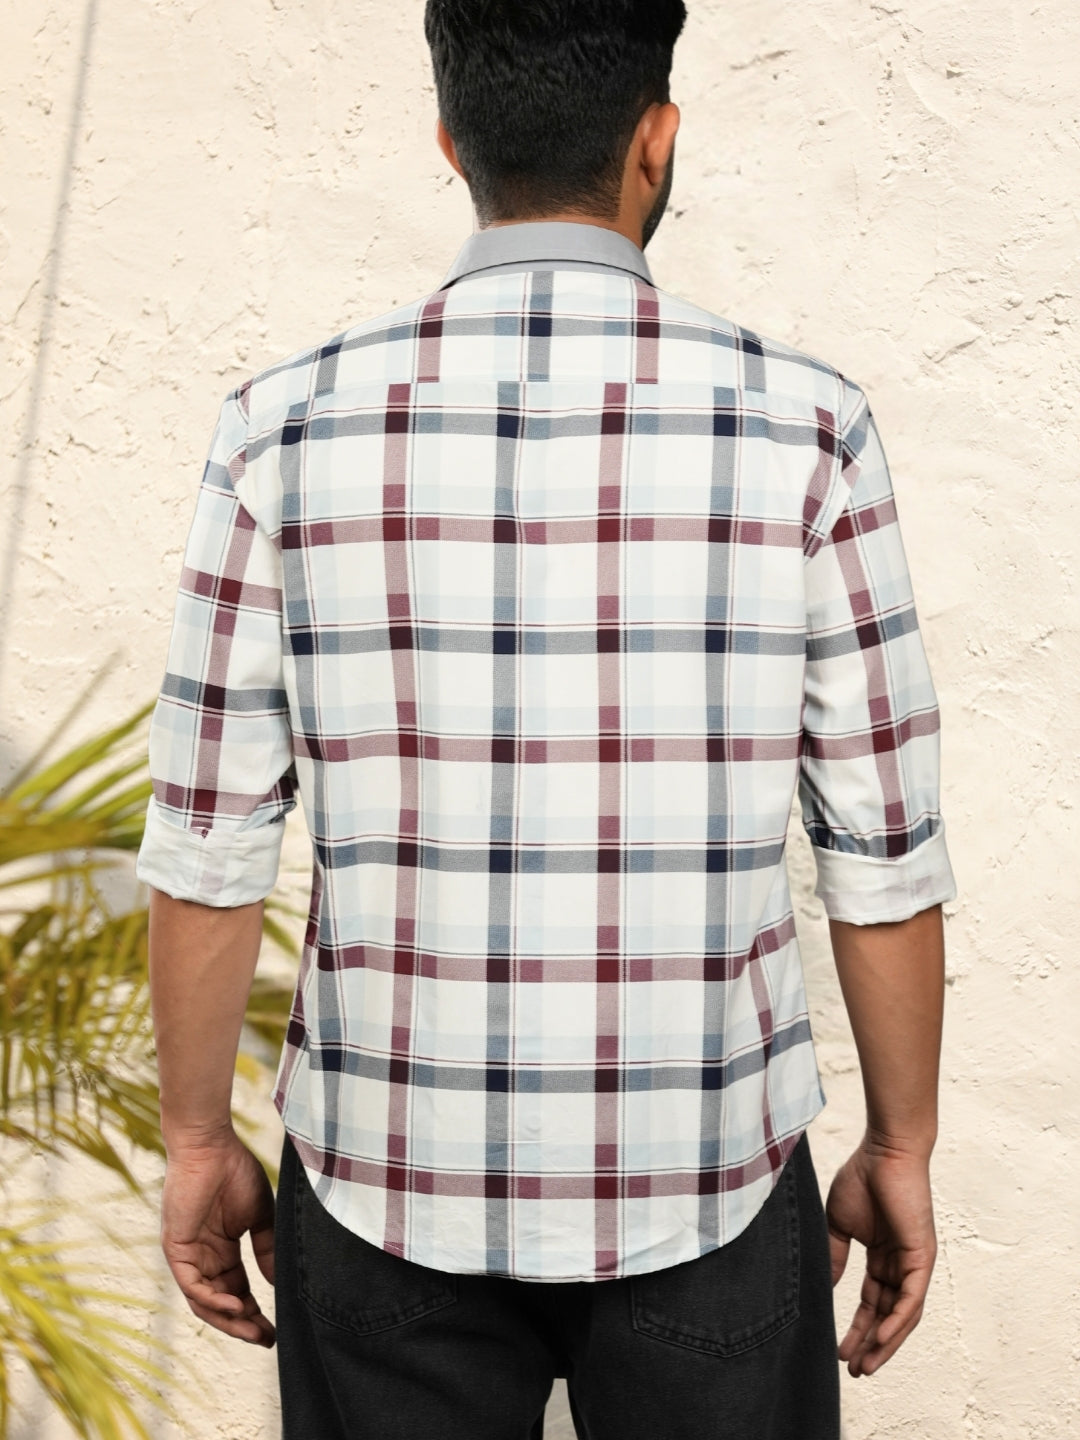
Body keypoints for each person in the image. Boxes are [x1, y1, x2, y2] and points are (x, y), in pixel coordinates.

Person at [135, 2, 958, 1436]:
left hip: (384, 1192)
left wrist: (198, 1139)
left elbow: (211, 841)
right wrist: (902, 1144)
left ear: (452, 143)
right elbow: (881, 848)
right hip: (708, 1188)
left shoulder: (281, 428)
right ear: (656, 140)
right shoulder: (809, 427)